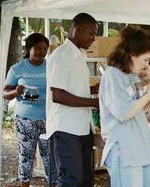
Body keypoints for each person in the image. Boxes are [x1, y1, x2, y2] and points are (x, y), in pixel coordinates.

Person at [99, 26, 150, 187]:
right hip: (125, 150)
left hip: (142, 148)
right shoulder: (112, 76)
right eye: (145, 59)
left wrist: (148, 81)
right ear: (132, 55)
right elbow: (124, 112)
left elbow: (144, 106)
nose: (146, 64)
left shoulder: (131, 76)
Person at [46, 13, 99, 187]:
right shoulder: (61, 55)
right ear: (78, 29)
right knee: (71, 180)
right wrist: (93, 102)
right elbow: (58, 95)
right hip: (66, 129)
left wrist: (94, 90)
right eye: (91, 33)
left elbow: (73, 89)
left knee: (85, 180)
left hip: (82, 127)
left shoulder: (78, 55)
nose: (94, 38)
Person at [3, 33, 56, 187]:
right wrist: (16, 92)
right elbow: (5, 93)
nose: (42, 52)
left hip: (48, 119)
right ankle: (24, 183)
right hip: (25, 121)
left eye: (45, 49)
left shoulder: (51, 66)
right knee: (26, 157)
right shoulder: (17, 68)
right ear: (29, 48)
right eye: (38, 48)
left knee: (50, 158)